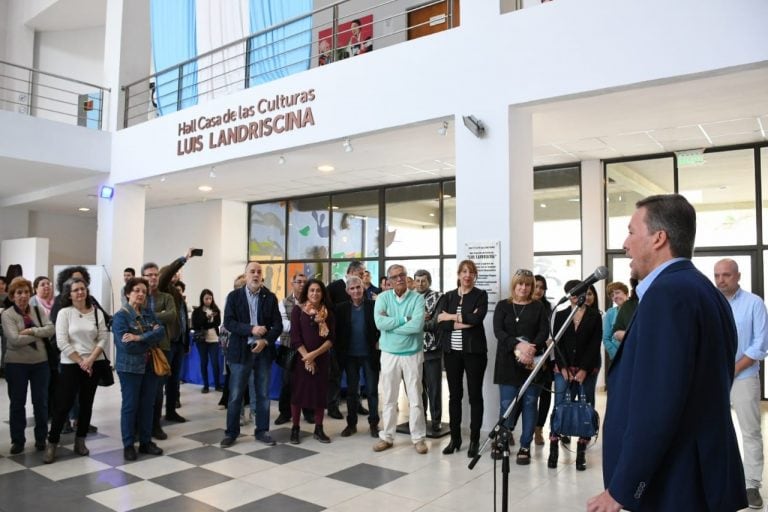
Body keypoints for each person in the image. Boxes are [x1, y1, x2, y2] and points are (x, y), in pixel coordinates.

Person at [587, 194, 747, 512]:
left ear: (659, 238)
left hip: (676, 479)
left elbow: (657, 402)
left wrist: (624, 486)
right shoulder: (704, 291)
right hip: (701, 469)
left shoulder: (668, 295)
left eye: (632, 232)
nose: (625, 243)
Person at [714, 258, 767, 510]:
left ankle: (751, 485)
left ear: (738, 276)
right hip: (713, 378)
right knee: (714, 430)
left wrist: (732, 368)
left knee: (750, 431)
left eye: (726, 275)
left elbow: (760, 345)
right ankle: (721, 479)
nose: (721, 280)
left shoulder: (754, 303)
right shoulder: (710, 303)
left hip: (743, 377)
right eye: (717, 275)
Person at [43, 277, 110, 463]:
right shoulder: (65, 313)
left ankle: (80, 441)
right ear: (69, 294)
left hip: (93, 362)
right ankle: (52, 443)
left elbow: (103, 338)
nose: (80, 292)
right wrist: (82, 361)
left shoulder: (96, 313)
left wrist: (90, 360)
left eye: (82, 289)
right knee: (63, 405)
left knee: (86, 404)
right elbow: (62, 341)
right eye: (76, 290)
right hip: (70, 363)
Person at [220, 261, 282, 448]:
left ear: (262, 276)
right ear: (246, 275)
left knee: (263, 394)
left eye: (258, 272)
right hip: (240, 352)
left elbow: (277, 326)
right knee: (235, 395)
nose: (255, 275)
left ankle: (262, 430)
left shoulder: (270, 297)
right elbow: (229, 322)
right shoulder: (234, 297)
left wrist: (265, 341)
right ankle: (231, 433)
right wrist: (251, 329)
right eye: (252, 272)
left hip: (262, 352)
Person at [492, 269, 549, 465]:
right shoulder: (502, 306)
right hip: (507, 364)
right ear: (514, 285)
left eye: (527, 284)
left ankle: (525, 445)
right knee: (506, 405)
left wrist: (530, 350)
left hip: (531, 364)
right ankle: (502, 440)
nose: (523, 288)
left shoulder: (538, 307)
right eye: (520, 284)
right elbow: (498, 331)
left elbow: (544, 332)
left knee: (530, 404)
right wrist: (519, 345)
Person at [372, 264, 428, 454]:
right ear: (388, 281)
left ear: (406, 277)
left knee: (415, 399)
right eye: (394, 276)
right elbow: (379, 323)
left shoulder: (418, 299)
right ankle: (387, 437)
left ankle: (418, 438)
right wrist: (405, 319)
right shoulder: (382, 298)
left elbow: (417, 326)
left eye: (402, 275)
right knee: (388, 399)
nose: (399, 279)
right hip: (389, 355)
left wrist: (392, 326)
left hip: (412, 354)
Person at [435, 260, 488, 458]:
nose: (468, 275)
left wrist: (451, 316)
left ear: (475, 276)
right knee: (454, 396)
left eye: (471, 272)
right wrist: (460, 319)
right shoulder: (448, 296)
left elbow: (477, 319)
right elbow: (440, 323)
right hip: (452, 353)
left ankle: (474, 440)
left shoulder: (480, 295)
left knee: (475, 396)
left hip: (474, 353)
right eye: (464, 271)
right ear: (458, 274)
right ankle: (455, 439)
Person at [548, 281, 602, 471]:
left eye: (581, 292)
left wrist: (584, 369)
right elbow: (557, 343)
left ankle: (581, 450)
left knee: (586, 405)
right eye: (572, 292)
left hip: (586, 369)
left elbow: (595, 345)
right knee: (560, 404)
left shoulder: (595, 316)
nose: (577, 296)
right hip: (563, 369)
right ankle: (553, 447)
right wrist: (562, 368)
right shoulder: (561, 314)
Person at [112, 277, 166, 461]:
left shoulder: (148, 313)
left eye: (144, 291)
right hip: (129, 368)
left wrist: (139, 338)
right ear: (128, 293)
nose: (141, 294)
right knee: (130, 406)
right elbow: (127, 347)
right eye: (137, 290)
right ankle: (128, 445)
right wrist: (148, 339)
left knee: (147, 405)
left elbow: (161, 331)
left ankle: (145, 442)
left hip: (150, 366)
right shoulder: (120, 317)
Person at [1, 278, 54, 454]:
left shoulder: (38, 310)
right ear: (12, 296)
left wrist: (31, 331)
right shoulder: (7, 314)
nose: (23, 296)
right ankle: (18, 440)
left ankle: (41, 439)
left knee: (41, 402)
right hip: (16, 365)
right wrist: (39, 334)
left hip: (41, 363)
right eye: (19, 293)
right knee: (17, 403)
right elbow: (15, 340)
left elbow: (50, 329)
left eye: (25, 292)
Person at [289, 278, 335, 444]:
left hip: (321, 359)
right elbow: (295, 338)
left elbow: (330, 340)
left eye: (318, 290)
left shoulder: (328, 312)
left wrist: (313, 356)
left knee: (320, 394)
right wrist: (306, 358)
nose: (315, 293)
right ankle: (295, 428)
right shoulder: (298, 310)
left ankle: (319, 428)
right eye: (312, 290)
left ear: (323, 293)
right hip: (301, 360)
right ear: (306, 293)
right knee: (298, 394)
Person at [335, 276, 380, 438]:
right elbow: (336, 333)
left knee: (372, 390)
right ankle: (351, 424)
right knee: (352, 392)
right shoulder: (340, 309)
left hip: (369, 354)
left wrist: (379, 340)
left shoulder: (373, 306)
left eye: (358, 287)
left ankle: (374, 424)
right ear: (347, 291)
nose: (355, 291)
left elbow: (381, 327)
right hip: (350, 356)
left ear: (364, 288)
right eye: (352, 288)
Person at [141, 262, 177, 440]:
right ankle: (139, 426)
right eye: (149, 275)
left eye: (156, 274)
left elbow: (171, 315)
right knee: (141, 391)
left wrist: (149, 317)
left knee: (157, 391)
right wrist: (156, 317)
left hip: (162, 348)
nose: (153, 277)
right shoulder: (138, 295)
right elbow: (134, 317)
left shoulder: (166, 297)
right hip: (141, 349)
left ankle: (156, 425)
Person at [326, 260, 366, 419]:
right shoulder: (334, 287)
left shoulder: (363, 289)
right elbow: (327, 311)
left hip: (356, 340)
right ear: (352, 271)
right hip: (338, 340)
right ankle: (332, 406)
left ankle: (356, 403)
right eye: (361, 273)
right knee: (335, 375)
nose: (363, 277)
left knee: (355, 375)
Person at [275, 273, 314, 425]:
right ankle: (285, 413)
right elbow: (283, 325)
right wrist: (303, 325)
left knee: (308, 381)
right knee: (287, 382)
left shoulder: (312, 301)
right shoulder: (284, 302)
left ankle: (309, 412)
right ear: (292, 283)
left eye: (305, 282)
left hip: (309, 348)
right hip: (289, 348)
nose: (302, 285)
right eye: (299, 282)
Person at [414, 269, 443, 434]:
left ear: (429, 281)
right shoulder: (410, 297)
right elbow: (402, 321)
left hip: (433, 350)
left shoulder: (439, 297)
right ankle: (420, 418)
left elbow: (435, 324)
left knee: (434, 387)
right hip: (413, 349)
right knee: (417, 388)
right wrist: (417, 318)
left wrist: (413, 321)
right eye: (417, 280)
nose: (420, 284)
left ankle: (436, 420)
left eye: (423, 281)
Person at [531, 274, 553, 446]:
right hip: (526, 357)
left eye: (541, 287)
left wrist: (543, 352)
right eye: (536, 286)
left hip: (545, 357)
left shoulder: (550, 308)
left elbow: (552, 334)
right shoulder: (525, 305)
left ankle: (539, 430)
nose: (538, 290)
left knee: (544, 395)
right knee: (526, 395)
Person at [191, 289, 222, 393]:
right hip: (202, 340)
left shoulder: (216, 309)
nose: (208, 300)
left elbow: (217, 323)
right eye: (206, 298)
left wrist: (206, 324)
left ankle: (217, 385)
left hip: (214, 339)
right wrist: (206, 318)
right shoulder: (197, 311)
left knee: (215, 363)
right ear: (202, 299)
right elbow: (196, 325)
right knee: (204, 362)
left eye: (210, 298)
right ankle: (206, 385)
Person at [602, 281, 628, 373]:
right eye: (612, 295)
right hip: (616, 357)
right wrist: (617, 355)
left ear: (625, 293)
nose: (615, 297)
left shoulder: (636, 308)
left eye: (617, 292)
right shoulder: (610, 312)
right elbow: (606, 338)